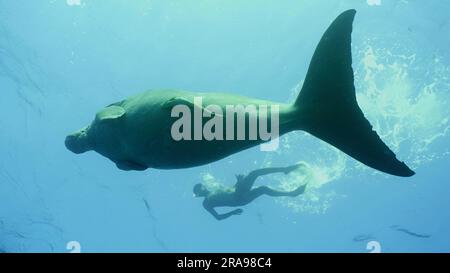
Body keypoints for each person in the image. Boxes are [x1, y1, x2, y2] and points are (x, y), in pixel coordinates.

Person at [193, 164, 308, 220]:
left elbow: (230, 190)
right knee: (254, 174)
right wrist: (232, 213)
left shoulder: (216, 189)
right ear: (198, 195)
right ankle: (285, 170)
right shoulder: (206, 203)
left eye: (201, 186)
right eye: (200, 189)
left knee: (263, 189)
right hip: (237, 199)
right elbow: (218, 217)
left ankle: (292, 193)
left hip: (239, 195)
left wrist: (238, 182)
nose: (203, 188)